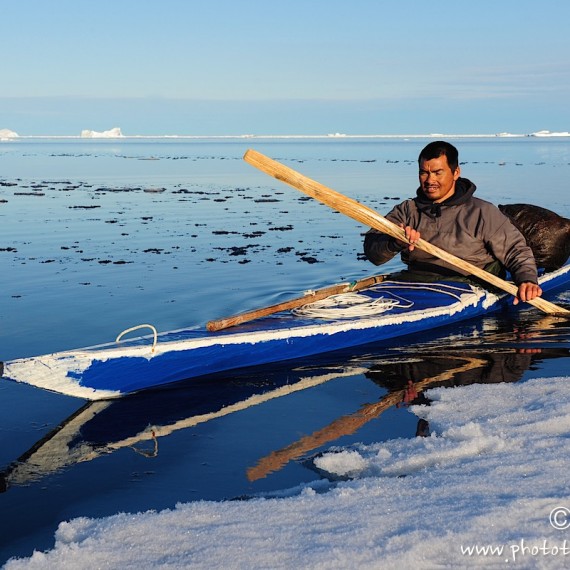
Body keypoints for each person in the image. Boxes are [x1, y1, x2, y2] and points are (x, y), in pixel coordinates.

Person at [363, 141, 542, 305]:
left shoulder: (482, 212)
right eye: (424, 173)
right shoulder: (407, 210)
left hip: (467, 284)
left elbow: (515, 250)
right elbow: (373, 255)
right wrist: (395, 242)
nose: (430, 180)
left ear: (456, 173)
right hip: (417, 283)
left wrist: (527, 279)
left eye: (437, 173)